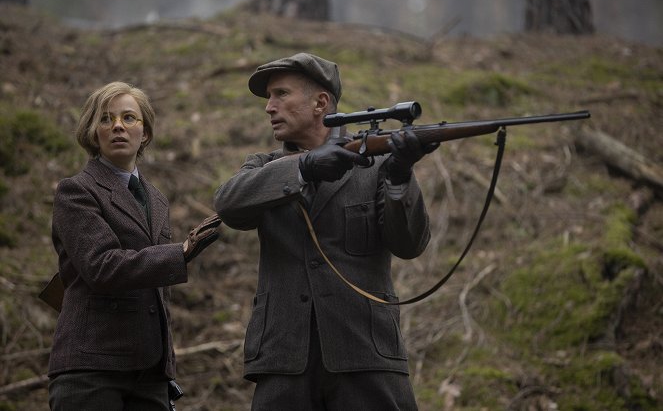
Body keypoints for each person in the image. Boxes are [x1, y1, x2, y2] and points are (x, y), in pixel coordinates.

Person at [213, 53, 439, 410]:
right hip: (284, 357)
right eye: (269, 97)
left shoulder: (378, 164)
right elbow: (228, 205)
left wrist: (400, 177)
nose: (269, 107)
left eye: (281, 94)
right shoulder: (264, 167)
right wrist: (304, 166)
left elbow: (409, 245)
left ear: (320, 103)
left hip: (366, 353)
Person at [47, 81, 221, 411]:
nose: (117, 126)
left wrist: (166, 365)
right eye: (106, 119)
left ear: (146, 133)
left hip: (151, 374)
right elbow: (101, 266)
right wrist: (180, 253)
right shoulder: (76, 191)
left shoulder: (156, 199)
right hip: (91, 372)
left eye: (129, 118)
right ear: (92, 132)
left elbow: (156, 292)